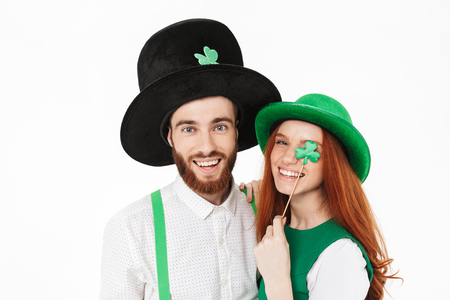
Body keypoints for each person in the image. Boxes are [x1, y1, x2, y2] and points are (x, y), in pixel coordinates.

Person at [100, 19, 281, 299]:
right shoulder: (132, 230)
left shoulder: (266, 213)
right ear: (170, 137)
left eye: (219, 126)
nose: (206, 146)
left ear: (236, 130)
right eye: (189, 129)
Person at [245, 93, 398, 299]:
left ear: (334, 165)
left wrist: (277, 280)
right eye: (282, 142)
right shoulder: (271, 224)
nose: (288, 158)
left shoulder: (342, 256)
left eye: (309, 148)